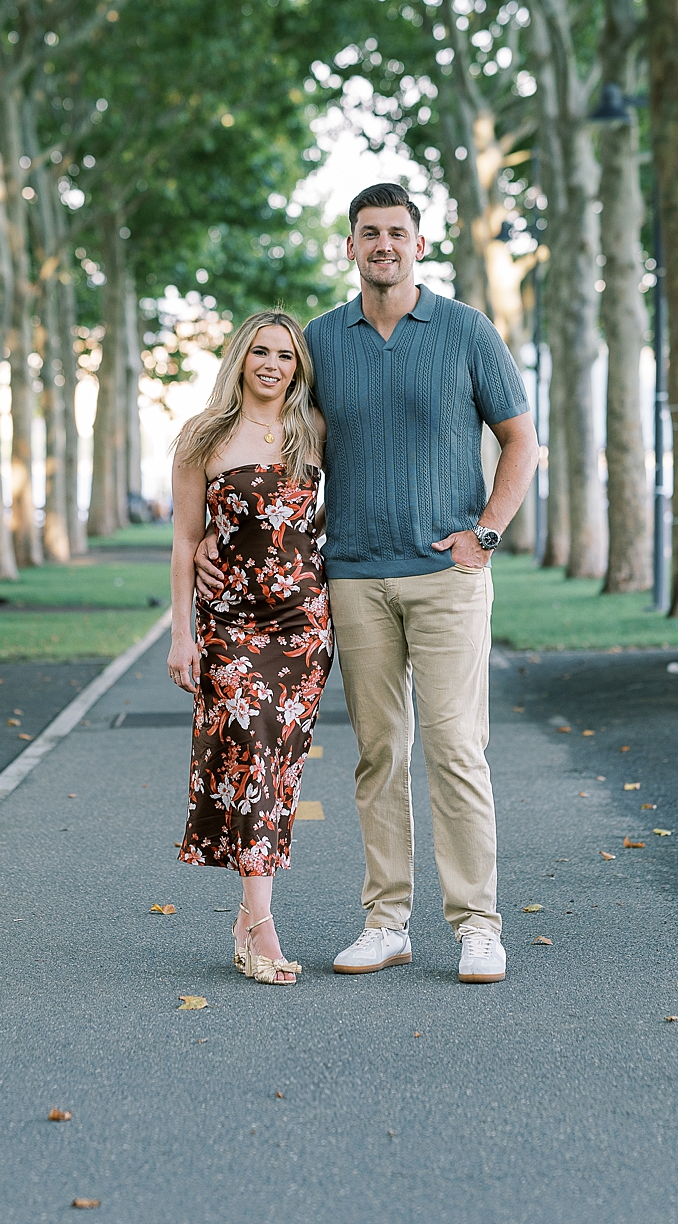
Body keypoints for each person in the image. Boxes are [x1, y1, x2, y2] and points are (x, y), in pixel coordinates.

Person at [198, 183, 539, 985]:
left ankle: (478, 925)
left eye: (396, 232)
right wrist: (221, 523)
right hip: (349, 578)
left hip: (447, 576)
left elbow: (522, 441)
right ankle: (387, 921)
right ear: (349, 247)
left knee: (456, 748)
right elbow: (268, 427)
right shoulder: (321, 340)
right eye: (368, 233)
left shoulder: (464, 331)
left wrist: (486, 531)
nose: (382, 244)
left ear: (420, 244)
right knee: (379, 753)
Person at [168, 310, 331, 986]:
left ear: (298, 367)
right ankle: (261, 927)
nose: (272, 363)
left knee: (277, 765)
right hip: (229, 624)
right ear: (240, 358)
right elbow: (184, 539)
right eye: (260, 351)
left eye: (286, 355)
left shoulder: (314, 430)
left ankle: (248, 918)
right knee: (251, 753)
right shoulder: (202, 436)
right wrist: (182, 633)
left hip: (302, 626)